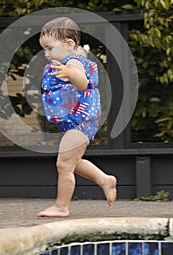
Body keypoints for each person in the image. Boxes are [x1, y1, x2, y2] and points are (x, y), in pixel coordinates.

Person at [37, 17, 117, 217]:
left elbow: (82, 83)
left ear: (69, 44)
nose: (46, 54)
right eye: (44, 50)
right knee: (72, 160)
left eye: (49, 48)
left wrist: (70, 73)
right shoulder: (64, 62)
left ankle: (61, 206)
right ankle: (105, 179)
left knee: (63, 165)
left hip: (81, 121)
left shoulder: (73, 61)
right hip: (76, 122)